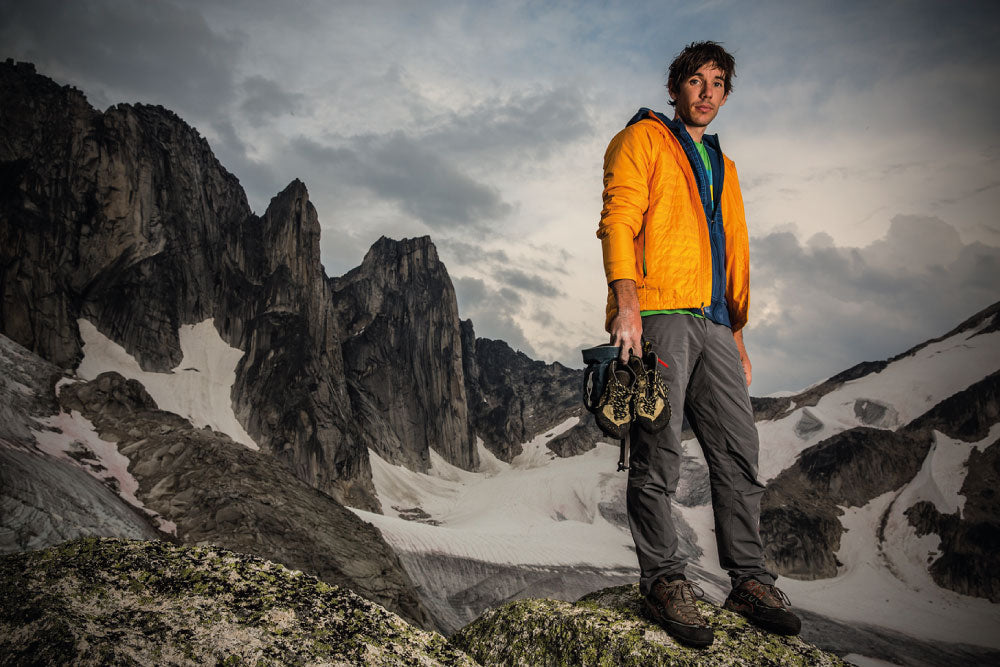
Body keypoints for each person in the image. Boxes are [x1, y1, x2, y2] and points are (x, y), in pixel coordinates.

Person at [596, 40, 801, 648]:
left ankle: (749, 579)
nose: (707, 91)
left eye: (718, 82)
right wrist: (627, 302)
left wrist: (735, 332)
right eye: (695, 80)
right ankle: (662, 579)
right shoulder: (642, 140)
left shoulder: (725, 166)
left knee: (739, 453)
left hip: (715, 324)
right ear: (675, 88)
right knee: (658, 452)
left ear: (727, 94)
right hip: (658, 310)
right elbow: (619, 217)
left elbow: (725, 253)